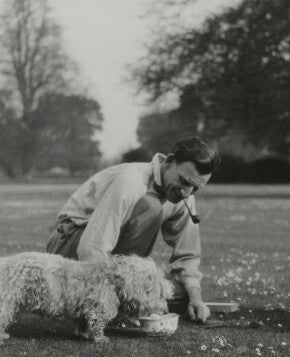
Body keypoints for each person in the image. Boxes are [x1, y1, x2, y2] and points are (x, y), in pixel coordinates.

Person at [46, 137, 221, 323]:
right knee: (150, 206)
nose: (187, 193)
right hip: (68, 250)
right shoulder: (130, 181)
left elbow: (188, 258)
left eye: (195, 188)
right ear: (169, 162)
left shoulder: (185, 195)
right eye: (184, 181)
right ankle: (104, 303)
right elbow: (92, 248)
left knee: (177, 291)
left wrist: (196, 299)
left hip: (107, 261)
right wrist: (110, 297)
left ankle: (122, 300)